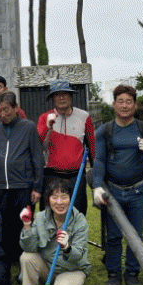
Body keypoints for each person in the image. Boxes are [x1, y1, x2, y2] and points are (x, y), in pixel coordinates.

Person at [91, 84, 143, 285]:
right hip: (112, 191)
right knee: (113, 235)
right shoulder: (105, 131)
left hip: (137, 191)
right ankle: (113, 275)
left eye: (128, 102)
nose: (124, 105)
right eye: (120, 101)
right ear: (114, 104)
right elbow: (99, 160)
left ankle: (132, 274)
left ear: (135, 105)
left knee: (136, 235)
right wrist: (97, 186)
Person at [0, 91, 44, 267]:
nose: (2, 114)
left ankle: (23, 258)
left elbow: (37, 157)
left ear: (16, 107)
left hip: (23, 184)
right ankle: (7, 258)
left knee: (22, 222)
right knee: (4, 223)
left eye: (6, 109)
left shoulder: (28, 127)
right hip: (1, 185)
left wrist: (37, 187)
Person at [19, 178, 90, 285]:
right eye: (55, 197)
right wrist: (27, 225)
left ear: (71, 199)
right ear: (48, 199)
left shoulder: (80, 221)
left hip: (72, 269)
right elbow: (29, 248)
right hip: (48, 266)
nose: (59, 202)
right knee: (26, 257)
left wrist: (67, 247)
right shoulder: (40, 217)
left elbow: (77, 257)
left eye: (64, 197)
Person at [36, 79, 95, 215]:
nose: (62, 98)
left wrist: (96, 173)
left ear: (71, 96)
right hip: (51, 175)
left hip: (76, 175)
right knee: (49, 215)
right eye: (57, 95)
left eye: (65, 94)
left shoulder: (84, 116)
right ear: (52, 99)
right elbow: (37, 144)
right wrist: (48, 126)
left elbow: (92, 146)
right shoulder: (45, 117)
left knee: (77, 214)